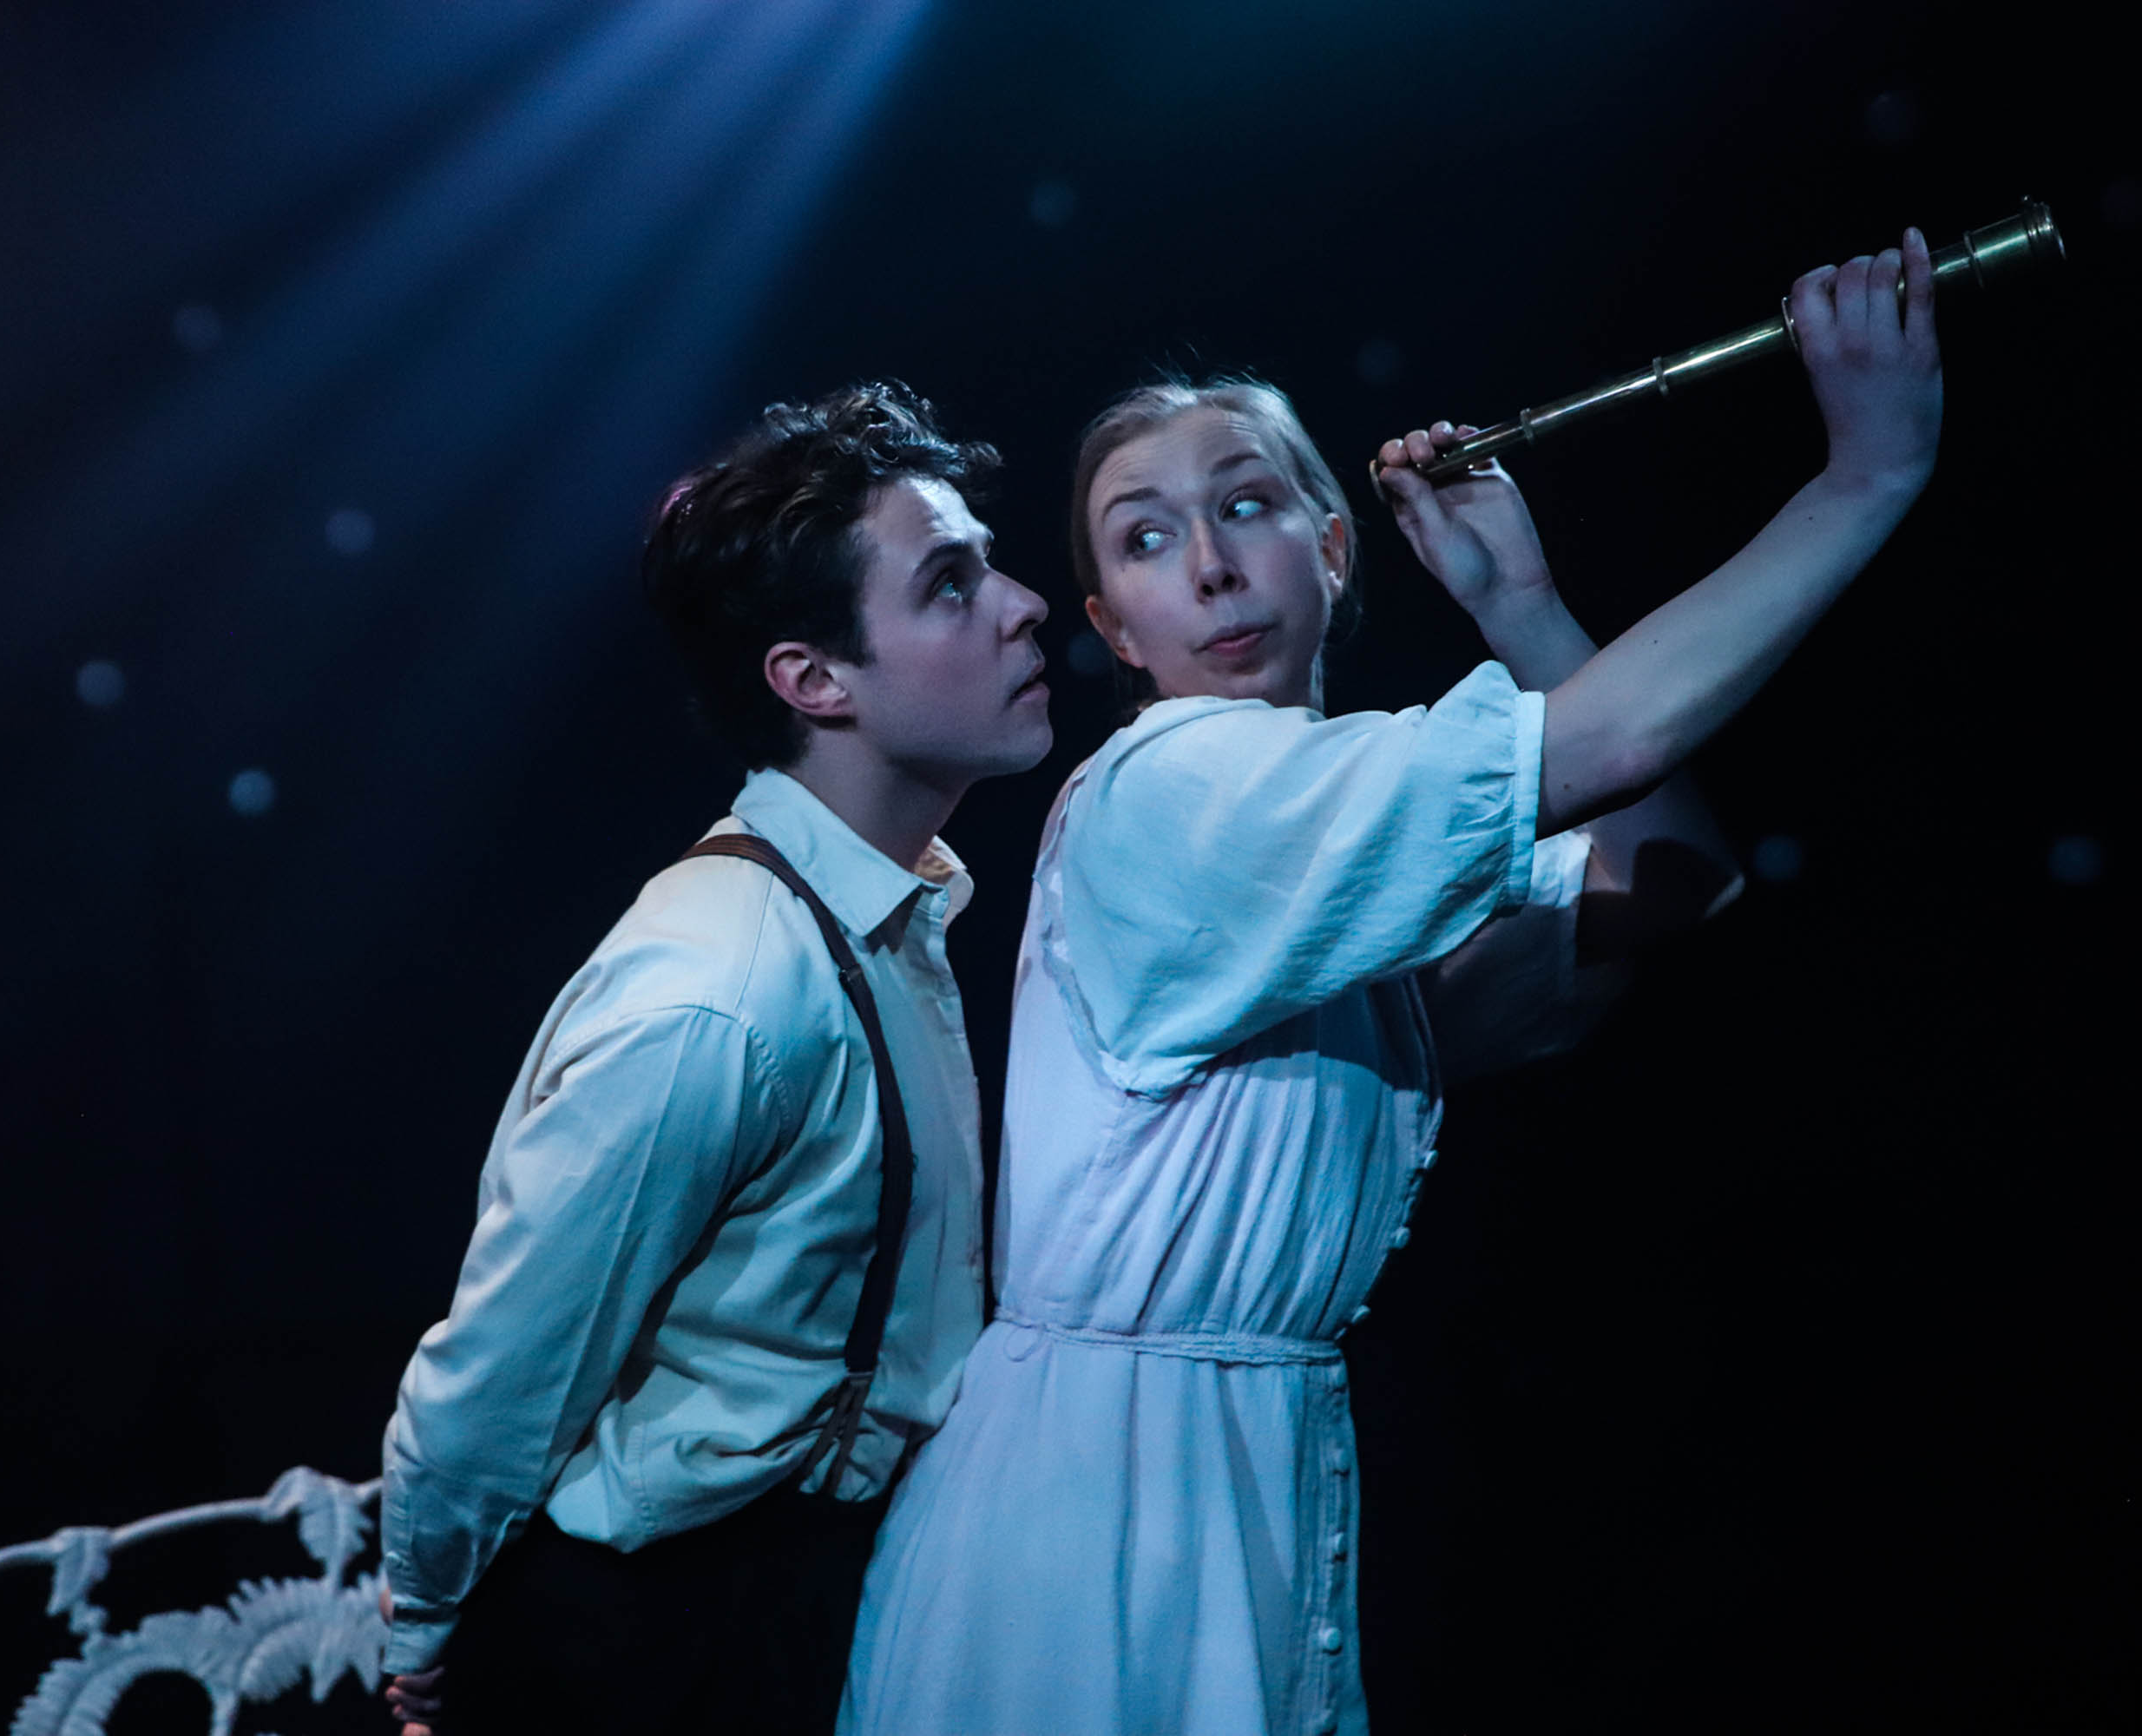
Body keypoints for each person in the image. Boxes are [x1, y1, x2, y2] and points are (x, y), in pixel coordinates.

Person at [842, 233, 1944, 1734]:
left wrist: (1521, 606)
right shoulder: (1176, 793)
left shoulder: (1334, 843)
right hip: (1092, 1507)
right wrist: (1862, 479)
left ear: (1334, 545)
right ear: (1113, 629)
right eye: (1146, 540)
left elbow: (1674, 881)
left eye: (1246, 506)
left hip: (1234, 1456)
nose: (1211, 565)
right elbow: (1612, 746)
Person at [376, 381, 1051, 1735]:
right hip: (650, 1638)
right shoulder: (723, 993)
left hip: (810, 1596)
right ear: (813, 681)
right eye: (950, 584)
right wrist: (426, 1614)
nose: (1023, 605)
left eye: (990, 565)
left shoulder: (888, 908)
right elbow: (504, 1367)